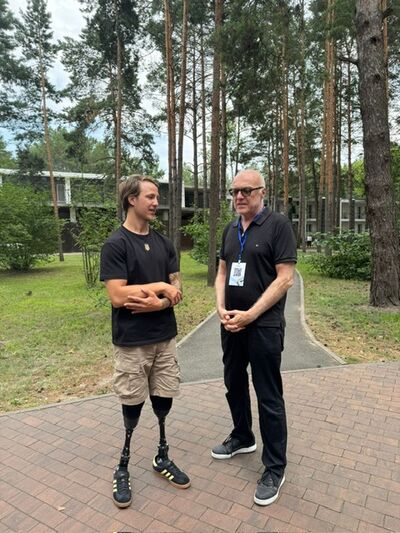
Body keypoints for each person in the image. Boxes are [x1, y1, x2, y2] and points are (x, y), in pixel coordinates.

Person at [100, 175, 190, 509]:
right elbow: (116, 294)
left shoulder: (165, 244)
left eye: (157, 197)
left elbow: (177, 289)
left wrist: (162, 301)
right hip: (132, 342)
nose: (156, 202)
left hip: (164, 339)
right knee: (132, 405)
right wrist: (161, 288)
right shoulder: (116, 244)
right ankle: (122, 465)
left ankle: (161, 456)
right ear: (131, 200)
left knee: (163, 401)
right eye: (150, 197)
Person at [212, 169, 297, 506]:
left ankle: (275, 467)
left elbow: (285, 279)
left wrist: (252, 314)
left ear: (263, 191)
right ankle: (242, 436)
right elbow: (221, 272)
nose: (239, 197)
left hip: (263, 327)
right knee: (233, 383)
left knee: (268, 395)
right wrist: (220, 307)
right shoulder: (230, 229)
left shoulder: (278, 226)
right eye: (234, 191)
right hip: (231, 323)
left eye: (246, 190)